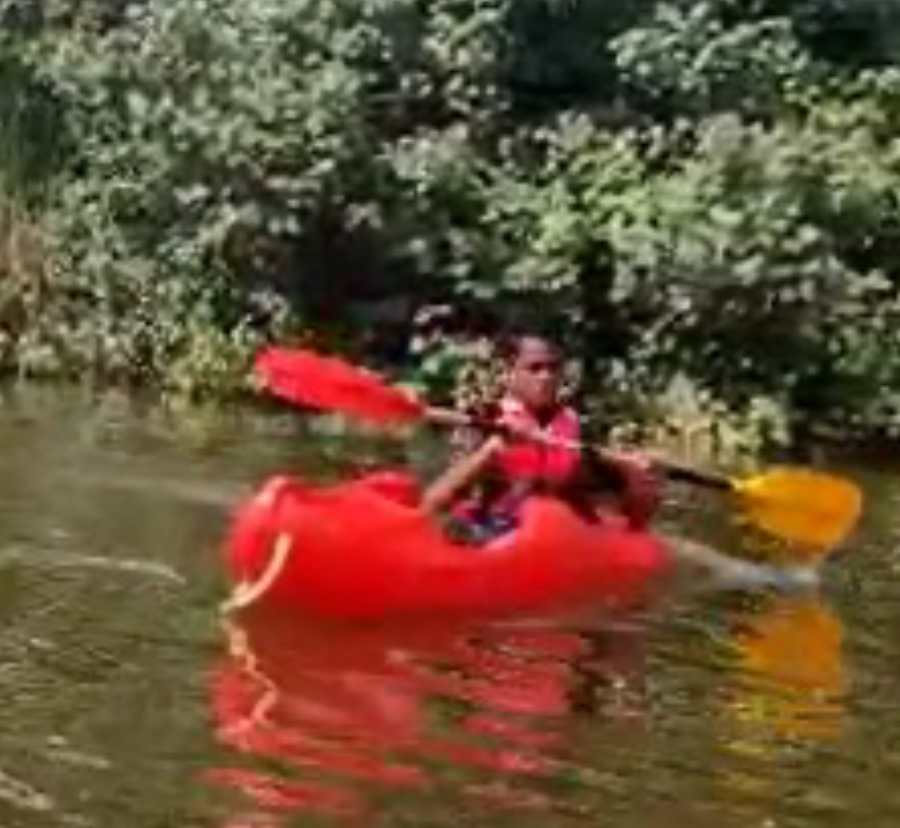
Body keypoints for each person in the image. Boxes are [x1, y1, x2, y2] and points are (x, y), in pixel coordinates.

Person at [421, 331, 659, 544]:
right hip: (492, 529)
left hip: (544, 531)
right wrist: (489, 452)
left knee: (640, 482)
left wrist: (630, 471)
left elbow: (571, 489)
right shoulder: (487, 418)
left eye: (553, 368)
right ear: (510, 372)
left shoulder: (569, 421)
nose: (546, 376)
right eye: (534, 368)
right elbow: (433, 504)